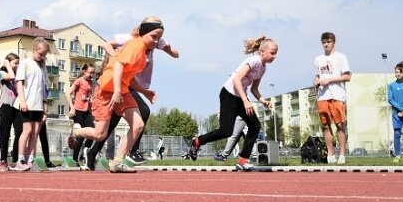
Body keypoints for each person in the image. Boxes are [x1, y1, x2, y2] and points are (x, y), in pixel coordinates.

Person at [82, 16, 178, 170]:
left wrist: (144, 92)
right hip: (107, 89)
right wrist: (117, 89)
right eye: (153, 37)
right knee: (100, 134)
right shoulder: (135, 46)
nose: (156, 41)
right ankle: (77, 131)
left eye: (158, 38)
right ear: (143, 33)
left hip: (123, 89)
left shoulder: (144, 50)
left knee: (138, 125)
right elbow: (119, 66)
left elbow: (129, 77)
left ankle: (117, 162)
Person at [188, 36, 276, 171]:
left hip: (241, 97)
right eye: (272, 52)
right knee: (226, 131)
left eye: (276, 53)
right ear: (262, 52)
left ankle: (243, 160)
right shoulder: (252, 61)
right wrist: (246, 101)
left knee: (255, 125)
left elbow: (254, 89)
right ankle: (198, 141)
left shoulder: (263, 69)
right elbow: (236, 80)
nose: (274, 56)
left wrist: (263, 101)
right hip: (228, 94)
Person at [11, 37, 50, 172]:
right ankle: (20, 160)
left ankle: (29, 159)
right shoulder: (25, 63)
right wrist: (22, 100)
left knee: (35, 133)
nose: (42, 56)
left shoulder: (42, 67)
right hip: (27, 103)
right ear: (34, 50)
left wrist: (45, 107)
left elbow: (44, 88)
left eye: (44, 54)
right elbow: (19, 82)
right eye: (41, 54)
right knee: (27, 131)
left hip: (38, 105)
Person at [313, 32, 351, 164]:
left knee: (340, 125)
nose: (326, 44)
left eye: (328, 42)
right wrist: (316, 80)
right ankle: (330, 154)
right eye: (324, 42)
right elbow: (318, 75)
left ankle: (342, 154)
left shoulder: (341, 57)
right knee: (325, 126)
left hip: (337, 95)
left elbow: (347, 77)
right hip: (323, 96)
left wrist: (330, 80)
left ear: (334, 42)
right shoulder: (318, 59)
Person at [65, 63, 96, 165]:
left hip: (87, 112)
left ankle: (84, 154)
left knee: (93, 133)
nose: (92, 75)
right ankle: (74, 159)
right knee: (81, 135)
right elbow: (67, 93)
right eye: (90, 73)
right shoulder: (79, 81)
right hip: (78, 111)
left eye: (93, 73)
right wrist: (72, 108)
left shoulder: (91, 83)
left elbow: (89, 98)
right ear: (84, 71)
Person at [0, 53, 20, 168]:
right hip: (6, 106)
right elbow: (10, 77)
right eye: (15, 63)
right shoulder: (2, 73)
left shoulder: (17, 75)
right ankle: (3, 159)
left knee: (19, 132)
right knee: (5, 134)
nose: (17, 65)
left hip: (16, 107)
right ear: (8, 62)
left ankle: (16, 158)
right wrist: (6, 64)